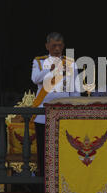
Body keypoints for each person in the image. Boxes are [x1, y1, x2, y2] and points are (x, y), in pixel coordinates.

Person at [31, 32, 80, 178]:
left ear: (63, 46)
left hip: (64, 114)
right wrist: (50, 69)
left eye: (59, 45)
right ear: (47, 46)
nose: (57, 48)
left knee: (64, 150)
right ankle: (43, 180)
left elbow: (75, 90)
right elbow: (35, 79)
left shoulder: (71, 64)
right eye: (54, 46)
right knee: (44, 151)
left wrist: (75, 112)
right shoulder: (39, 62)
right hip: (43, 116)